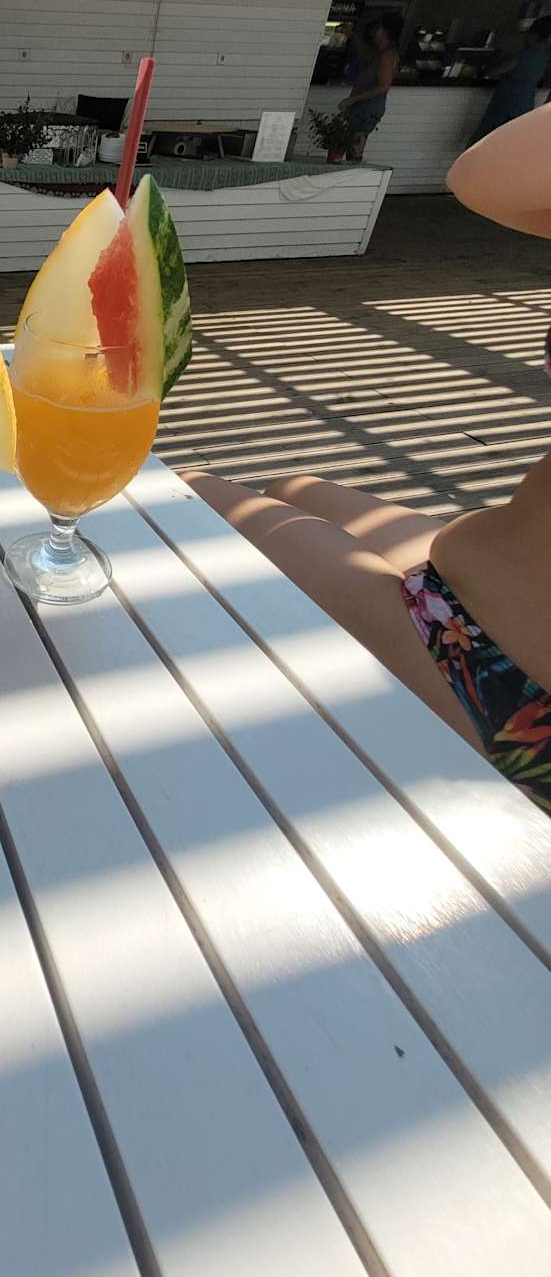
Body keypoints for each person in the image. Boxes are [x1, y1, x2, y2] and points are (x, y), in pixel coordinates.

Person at [181, 102, 551, 814]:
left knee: (191, 489)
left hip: (500, 685)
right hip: (474, 589)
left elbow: (487, 174)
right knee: (297, 487)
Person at [470, 14, 551, 145]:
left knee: (486, 142)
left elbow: (492, 71)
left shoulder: (526, 54)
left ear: (535, 35)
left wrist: (493, 61)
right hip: (524, 105)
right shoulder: (544, 57)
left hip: (506, 104)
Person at [340, 11, 402, 160]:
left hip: (367, 108)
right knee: (350, 142)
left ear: (385, 31)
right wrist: (352, 34)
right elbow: (364, 53)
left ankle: (353, 169)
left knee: (355, 146)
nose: (374, 31)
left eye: (378, 28)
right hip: (361, 106)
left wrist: (354, 99)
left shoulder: (388, 56)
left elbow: (384, 86)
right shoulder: (379, 52)